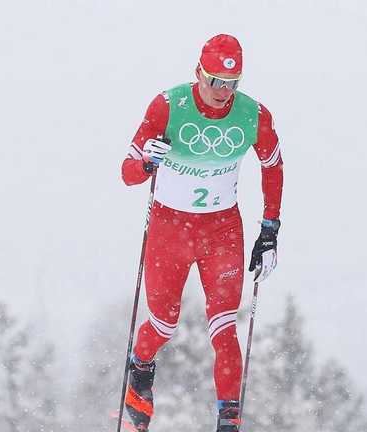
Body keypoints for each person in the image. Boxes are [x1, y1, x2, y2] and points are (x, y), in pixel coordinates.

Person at [120, 34, 284, 432]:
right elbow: (126, 173)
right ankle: (140, 368)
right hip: (169, 229)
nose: (222, 92)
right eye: (214, 81)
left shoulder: (253, 115)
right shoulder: (167, 106)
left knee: (224, 326)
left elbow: (273, 166)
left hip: (221, 230)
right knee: (164, 324)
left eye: (231, 84)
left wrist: (270, 228)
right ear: (199, 73)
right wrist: (146, 163)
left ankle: (228, 417)